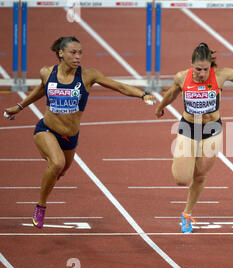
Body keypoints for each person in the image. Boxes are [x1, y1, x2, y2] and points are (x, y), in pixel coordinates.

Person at [3, 36, 156, 228]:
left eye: (80, 53)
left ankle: (53, 173)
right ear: (61, 53)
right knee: (57, 163)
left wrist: (142, 94)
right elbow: (41, 90)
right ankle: (40, 206)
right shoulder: (47, 72)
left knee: (63, 169)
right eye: (73, 52)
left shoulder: (87, 76)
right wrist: (19, 106)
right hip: (46, 129)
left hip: (70, 137)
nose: (77, 57)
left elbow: (119, 86)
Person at [155, 42, 233, 233]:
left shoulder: (220, 75)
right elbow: (172, 93)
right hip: (189, 127)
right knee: (181, 179)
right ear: (191, 64)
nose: (202, 73)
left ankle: (187, 214)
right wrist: (160, 106)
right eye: (198, 69)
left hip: (211, 129)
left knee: (200, 175)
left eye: (205, 69)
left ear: (210, 66)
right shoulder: (182, 77)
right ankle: (185, 159)